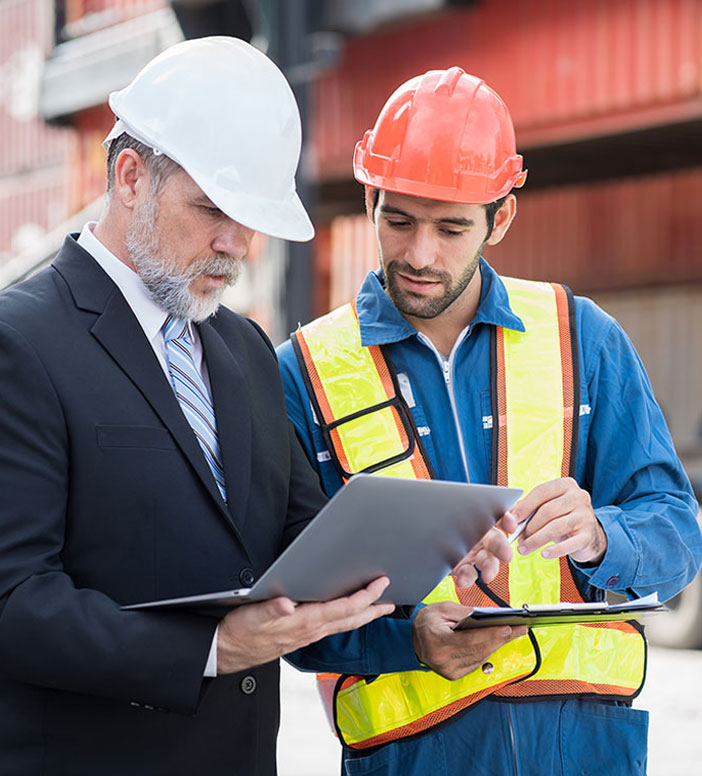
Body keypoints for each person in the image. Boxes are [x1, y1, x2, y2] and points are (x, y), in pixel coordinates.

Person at [0, 39, 520, 775]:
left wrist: (425, 569)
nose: (236, 243)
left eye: (252, 220)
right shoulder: (20, 342)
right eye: (213, 208)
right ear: (128, 178)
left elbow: (304, 549)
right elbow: (14, 604)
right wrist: (212, 649)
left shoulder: (242, 350)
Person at [277, 67, 702, 776]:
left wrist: (603, 536)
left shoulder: (582, 338)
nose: (419, 255)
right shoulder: (305, 370)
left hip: (584, 754)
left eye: (450, 228)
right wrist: (406, 638)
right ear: (369, 198)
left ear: (501, 217)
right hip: (413, 758)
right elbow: (284, 608)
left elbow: (677, 533)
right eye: (399, 220)